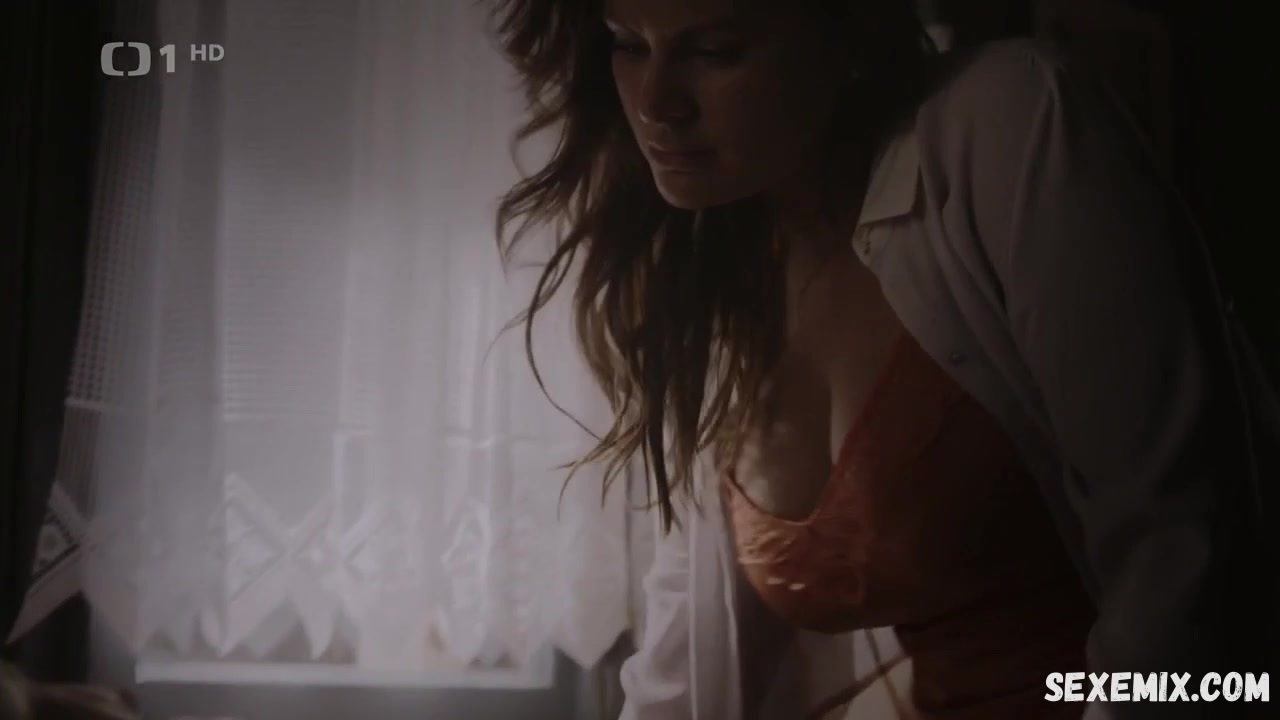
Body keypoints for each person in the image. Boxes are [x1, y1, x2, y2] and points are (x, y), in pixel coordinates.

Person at [486, 0, 1278, 717]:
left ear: (845, 36)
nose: (655, 103)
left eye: (715, 50)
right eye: (628, 43)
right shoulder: (718, 273)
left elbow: (1180, 559)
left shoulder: (1004, 123)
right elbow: (688, 647)